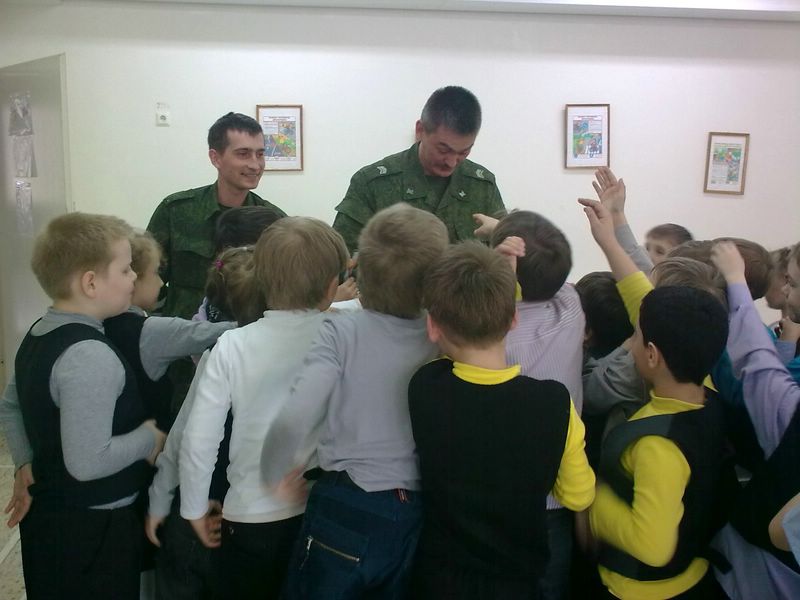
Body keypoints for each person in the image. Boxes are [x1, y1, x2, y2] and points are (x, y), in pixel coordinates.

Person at [267, 203, 449, 598]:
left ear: (359, 271)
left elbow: (295, 415)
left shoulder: (340, 330)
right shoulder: (439, 336)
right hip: (415, 508)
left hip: (348, 499)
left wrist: (274, 473)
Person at [408, 241, 594, 599]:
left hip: (440, 579)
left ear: (432, 327)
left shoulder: (426, 385)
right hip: (518, 582)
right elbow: (577, 494)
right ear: (514, 320)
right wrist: (506, 287)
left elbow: (451, 356)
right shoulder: (554, 402)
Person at [178, 217, 348, 599]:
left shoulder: (231, 345)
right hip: (320, 512)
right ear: (331, 287)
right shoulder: (342, 334)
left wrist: (194, 508)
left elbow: (199, 439)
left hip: (249, 517)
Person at [579, 198, 731, 599]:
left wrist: (592, 499)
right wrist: (609, 238)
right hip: (693, 572)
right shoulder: (706, 386)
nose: (630, 343)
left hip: (639, 590)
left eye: (635, 337)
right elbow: (646, 304)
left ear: (651, 355)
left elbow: (653, 546)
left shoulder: (656, 447)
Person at [13, 213, 166, 599]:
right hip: (92, 535)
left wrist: (24, 462)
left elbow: (8, 406)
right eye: (126, 269)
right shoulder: (89, 355)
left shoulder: (40, 331)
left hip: (49, 521)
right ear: (91, 283)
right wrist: (148, 439)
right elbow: (87, 463)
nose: (134, 277)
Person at [147, 245, 266, 600]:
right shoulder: (288, 353)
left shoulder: (218, 354)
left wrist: (158, 501)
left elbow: (181, 440)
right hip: (250, 512)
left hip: (196, 507)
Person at [488, 211, 585, 600]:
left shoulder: (495, 337)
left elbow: (484, 310)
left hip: (502, 496)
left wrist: (494, 262)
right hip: (555, 497)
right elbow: (549, 272)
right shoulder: (572, 307)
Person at [708, 241, 800, 598]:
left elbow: (758, 362)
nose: (786, 290)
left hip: (761, 577)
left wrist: (735, 281)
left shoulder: (788, 411)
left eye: (792, 281)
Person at [147, 112, 287, 321]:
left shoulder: (273, 221)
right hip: (185, 334)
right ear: (216, 158)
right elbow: (147, 275)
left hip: (247, 334)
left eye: (260, 154)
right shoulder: (176, 211)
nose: (255, 165)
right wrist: (164, 319)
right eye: (243, 154)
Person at [333, 86, 506, 254]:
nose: (452, 162)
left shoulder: (483, 186)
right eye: (443, 150)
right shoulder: (372, 184)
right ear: (420, 130)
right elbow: (343, 260)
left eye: (463, 152)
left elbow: (505, 254)